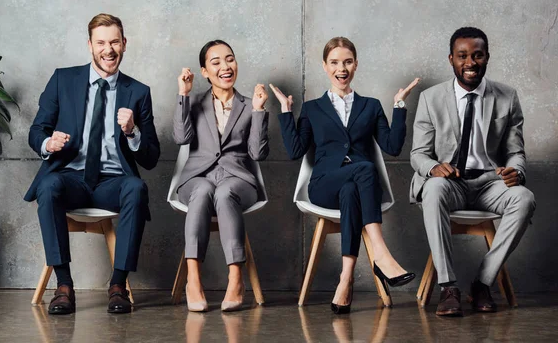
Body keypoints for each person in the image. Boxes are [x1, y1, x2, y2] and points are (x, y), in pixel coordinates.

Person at [270, 36, 419, 314]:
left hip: (358, 188)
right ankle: (381, 254)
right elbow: (295, 150)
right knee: (364, 167)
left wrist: (399, 106)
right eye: (335, 62)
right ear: (325, 66)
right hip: (324, 185)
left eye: (348, 62)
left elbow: (393, 147)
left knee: (352, 190)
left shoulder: (371, 106)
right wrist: (286, 111)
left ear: (356, 65)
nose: (342, 68)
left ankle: (346, 278)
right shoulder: (313, 108)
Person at [25, 13, 160, 314]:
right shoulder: (63, 79)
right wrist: (49, 143)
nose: (108, 50)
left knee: (136, 188)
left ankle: (118, 285)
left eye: (114, 42)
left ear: (124, 44)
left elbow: (151, 157)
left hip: (111, 181)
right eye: (101, 42)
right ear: (90, 45)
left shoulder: (138, 92)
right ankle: (63, 286)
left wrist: (133, 131)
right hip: (71, 177)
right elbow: (36, 131)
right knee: (48, 187)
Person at [410, 26, 535, 316]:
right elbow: (418, 154)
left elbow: (515, 151)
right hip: (451, 183)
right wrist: (434, 167)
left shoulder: (507, 96)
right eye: (462, 56)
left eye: (477, 55)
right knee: (433, 187)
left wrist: (516, 170)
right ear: (451, 59)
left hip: (489, 183)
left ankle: (482, 283)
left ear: (487, 57)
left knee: (525, 198)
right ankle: (448, 288)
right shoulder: (431, 98)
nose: (470, 62)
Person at [173, 40, 269, 312]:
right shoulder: (194, 103)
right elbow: (181, 138)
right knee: (203, 191)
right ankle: (193, 280)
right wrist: (184, 93)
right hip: (197, 178)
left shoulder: (250, 105)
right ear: (204, 71)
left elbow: (257, 154)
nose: (225, 67)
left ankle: (236, 279)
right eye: (216, 62)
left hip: (238, 180)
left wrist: (260, 111)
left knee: (225, 192)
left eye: (230, 59)